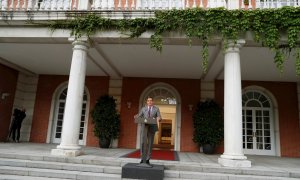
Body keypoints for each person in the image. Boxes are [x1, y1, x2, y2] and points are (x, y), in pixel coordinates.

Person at [134, 96, 162, 165]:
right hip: (144, 127)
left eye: (151, 100)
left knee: (150, 143)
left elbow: (159, 116)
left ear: (153, 102)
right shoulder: (143, 109)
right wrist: (136, 116)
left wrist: (159, 118)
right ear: (147, 102)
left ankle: (147, 159)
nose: (149, 102)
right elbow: (139, 116)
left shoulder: (156, 109)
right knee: (142, 143)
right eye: (148, 101)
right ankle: (142, 158)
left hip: (152, 128)